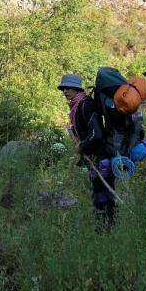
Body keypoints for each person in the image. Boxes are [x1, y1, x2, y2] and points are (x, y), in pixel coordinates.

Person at [59, 73, 116, 226]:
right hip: (94, 157)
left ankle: (107, 229)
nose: (65, 91)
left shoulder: (85, 105)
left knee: (103, 194)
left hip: (101, 157)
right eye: (63, 88)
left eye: (68, 88)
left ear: (77, 88)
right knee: (98, 192)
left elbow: (97, 134)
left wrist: (81, 145)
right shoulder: (79, 105)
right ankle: (102, 227)